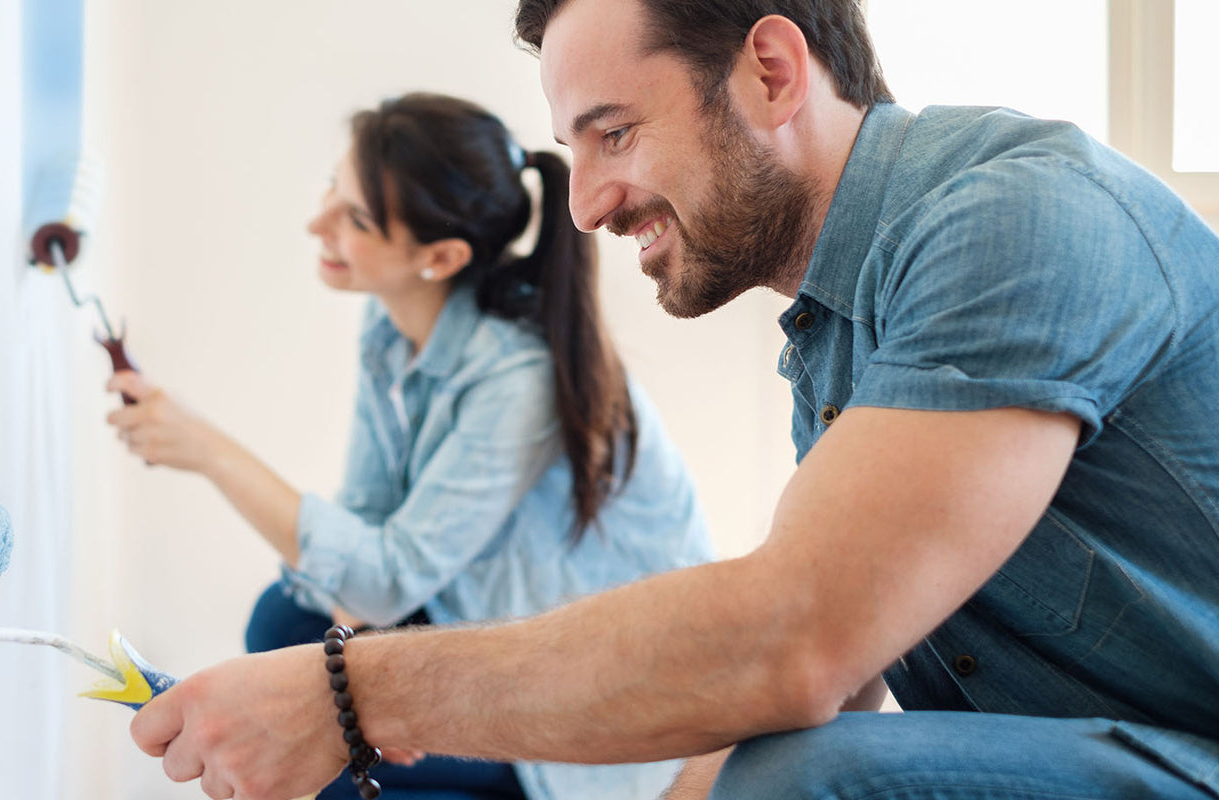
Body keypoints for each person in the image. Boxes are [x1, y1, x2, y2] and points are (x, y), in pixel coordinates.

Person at [123, 1, 1219, 798]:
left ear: (772, 72)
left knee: (803, 780)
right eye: (575, 148)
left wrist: (352, 692)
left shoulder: (1014, 217)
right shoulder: (834, 339)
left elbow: (799, 641)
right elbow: (844, 661)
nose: (586, 205)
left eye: (615, 132)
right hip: (1091, 747)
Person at [105, 91, 713, 800]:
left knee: (327, 752)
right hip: (485, 619)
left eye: (356, 219)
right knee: (288, 623)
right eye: (333, 189)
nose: (317, 224)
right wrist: (359, 673)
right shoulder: (391, 329)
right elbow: (368, 525)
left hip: (587, 702)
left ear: (440, 257)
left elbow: (386, 580)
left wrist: (208, 451)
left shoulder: (520, 380)